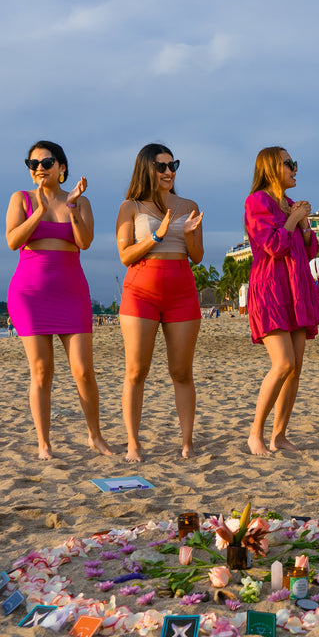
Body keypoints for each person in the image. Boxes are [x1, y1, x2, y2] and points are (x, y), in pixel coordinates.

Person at [5, 140, 113, 460]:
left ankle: (95, 436)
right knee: (41, 370)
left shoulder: (80, 201)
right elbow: (13, 241)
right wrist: (38, 211)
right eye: (33, 163)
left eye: (47, 161)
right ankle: (44, 444)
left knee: (83, 370)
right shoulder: (20, 199)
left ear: (62, 167)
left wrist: (73, 207)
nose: (39, 167)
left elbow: (85, 242)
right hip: (30, 293)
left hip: (71, 291)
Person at [115, 143, 204, 462]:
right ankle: (133, 443)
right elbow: (125, 255)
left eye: (173, 165)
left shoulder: (189, 204)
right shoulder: (131, 207)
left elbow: (196, 256)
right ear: (146, 169)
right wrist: (156, 236)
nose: (169, 172)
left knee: (181, 371)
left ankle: (187, 442)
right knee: (137, 370)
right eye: (162, 166)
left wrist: (190, 234)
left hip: (181, 289)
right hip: (141, 292)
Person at [244, 147, 319, 455]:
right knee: (283, 362)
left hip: (296, 288)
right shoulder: (257, 201)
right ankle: (256, 434)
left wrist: (304, 225)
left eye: (294, 163)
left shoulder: (290, 203)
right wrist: (293, 220)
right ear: (270, 168)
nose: (294, 168)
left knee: (296, 367)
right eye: (288, 163)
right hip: (271, 289)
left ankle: (279, 435)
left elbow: (309, 252)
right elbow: (273, 245)